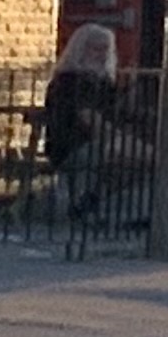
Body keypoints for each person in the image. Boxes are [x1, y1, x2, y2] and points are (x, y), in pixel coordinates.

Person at [42, 23, 121, 228]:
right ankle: (87, 205)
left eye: (106, 48)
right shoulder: (68, 81)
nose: (101, 54)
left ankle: (94, 203)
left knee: (140, 156)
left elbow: (118, 114)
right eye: (95, 48)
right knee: (120, 154)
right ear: (80, 49)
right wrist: (118, 138)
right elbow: (88, 117)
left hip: (98, 142)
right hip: (70, 145)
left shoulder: (103, 83)